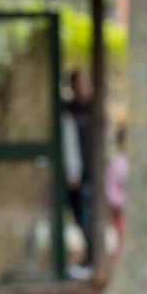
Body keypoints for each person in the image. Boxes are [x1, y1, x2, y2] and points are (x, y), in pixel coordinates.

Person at [61, 69, 94, 280]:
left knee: (87, 216)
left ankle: (92, 258)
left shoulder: (94, 109)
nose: (79, 87)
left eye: (82, 82)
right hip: (75, 175)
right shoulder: (69, 111)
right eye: (76, 83)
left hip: (90, 174)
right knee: (79, 216)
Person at [105, 125, 128, 257]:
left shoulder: (118, 159)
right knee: (121, 233)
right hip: (120, 203)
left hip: (123, 201)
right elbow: (115, 181)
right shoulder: (117, 160)